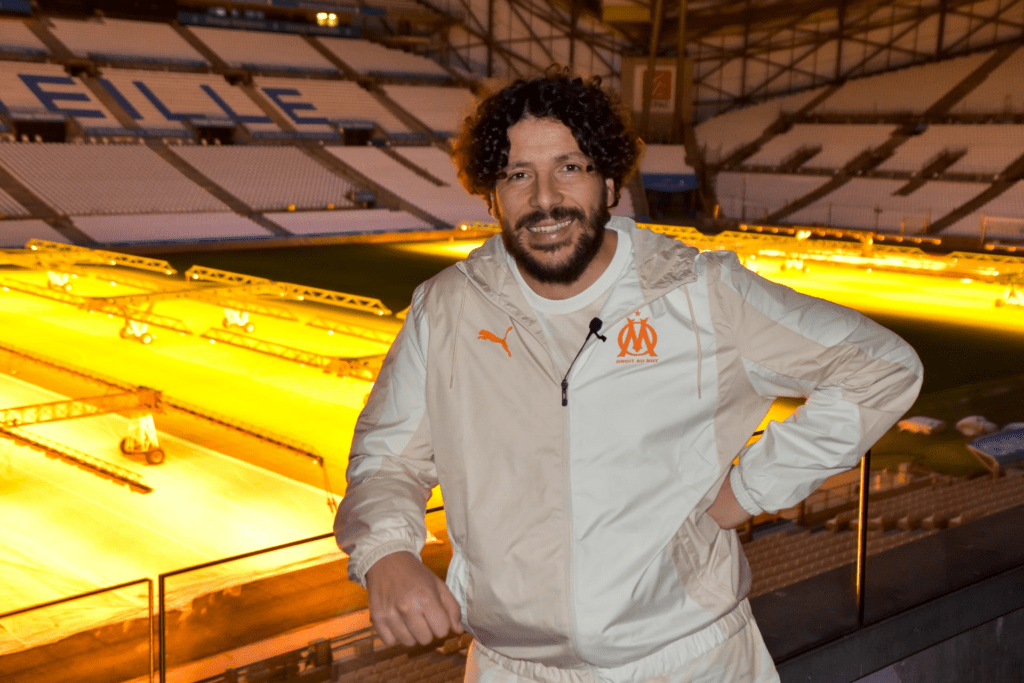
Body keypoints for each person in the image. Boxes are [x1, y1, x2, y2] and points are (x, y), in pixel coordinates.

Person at [335, 72, 923, 683]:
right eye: (517, 174)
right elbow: (385, 460)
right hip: (514, 668)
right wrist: (388, 553)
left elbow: (879, 368)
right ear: (492, 195)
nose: (544, 198)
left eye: (570, 167)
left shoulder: (700, 293)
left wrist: (753, 488)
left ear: (610, 180)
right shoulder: (447, 309)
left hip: (691, 660)